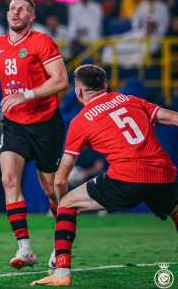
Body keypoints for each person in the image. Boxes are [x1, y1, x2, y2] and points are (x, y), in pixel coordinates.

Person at [32, 64, 178, 286]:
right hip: (163, 173)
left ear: (79, 92)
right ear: (106, 85)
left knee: (70, 203)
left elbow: (60, 179)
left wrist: (63, 209)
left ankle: (61, 274)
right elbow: (171, 117)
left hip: (126, 177)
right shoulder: (130, 99)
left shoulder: (80, 121)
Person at [0, 0, 69, 269]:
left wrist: (27, 94)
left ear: (31, 17)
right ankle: (24, 248)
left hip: (45, 123)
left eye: (22, 9)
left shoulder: (41, 42)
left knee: (51, 188)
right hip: (13, 124)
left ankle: (61, 246)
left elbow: (61, 80)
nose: (15, 12)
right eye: (12, 8)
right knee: (9, 180)